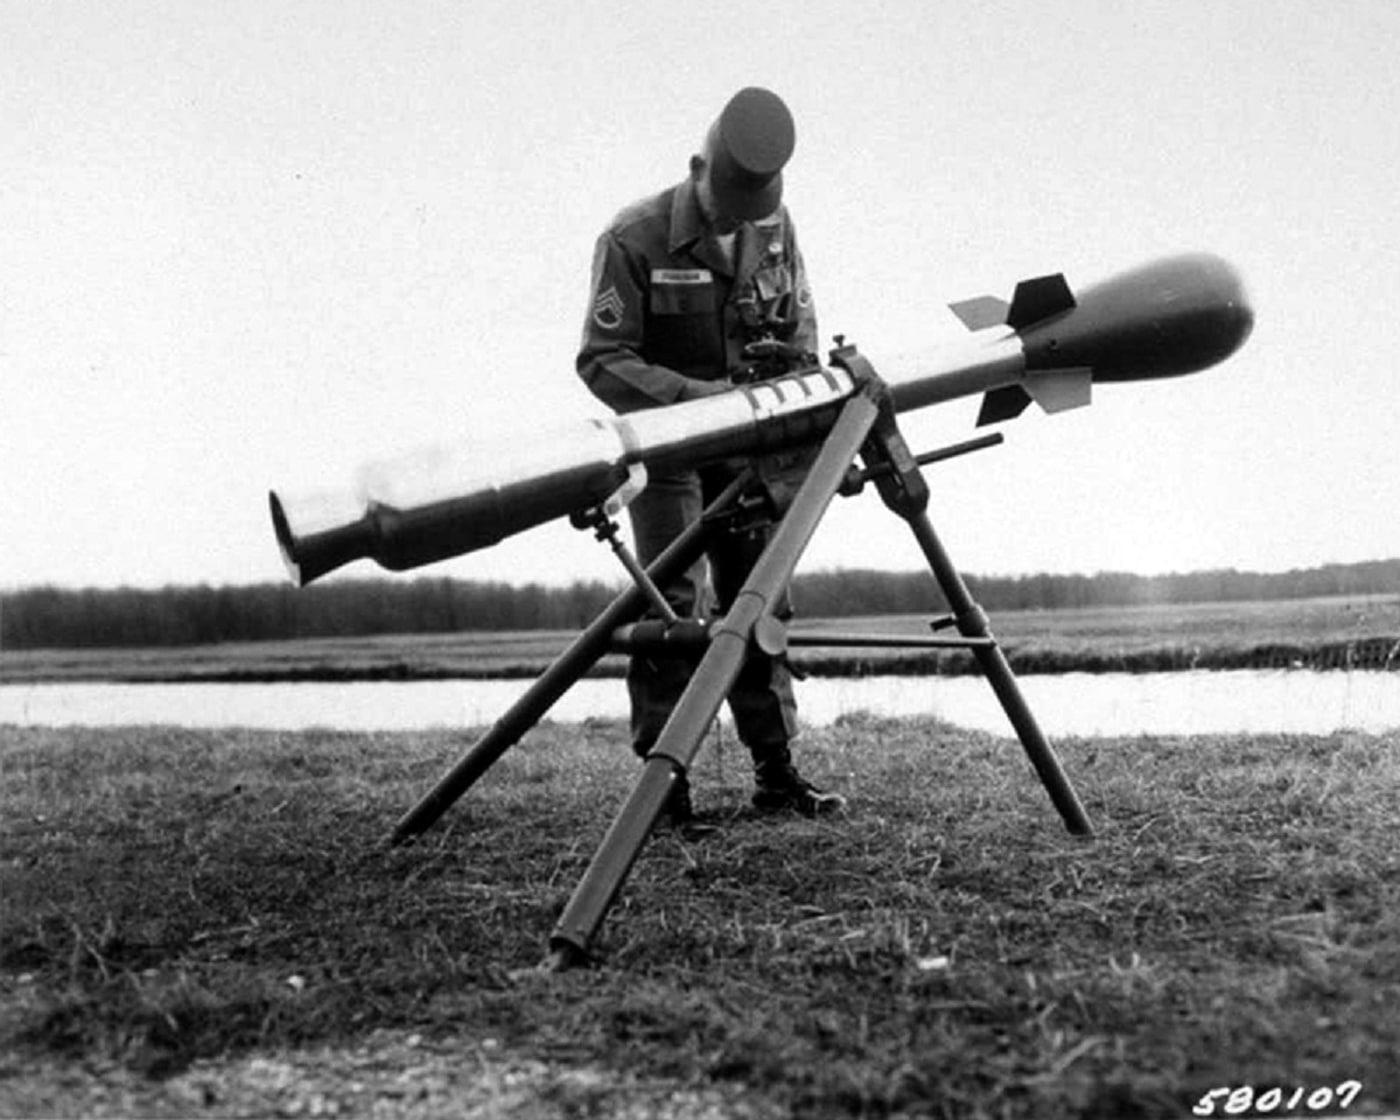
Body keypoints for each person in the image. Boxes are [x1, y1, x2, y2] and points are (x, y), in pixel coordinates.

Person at [576, 87, 846, 822]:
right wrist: (698, 397)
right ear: (698, 169)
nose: (738, 225)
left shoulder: (776, 226)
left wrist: (795, 412)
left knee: (761, 596)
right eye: (726, 208)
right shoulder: (633, 237)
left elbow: (801, 336)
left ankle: (775, 768)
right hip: (667, 447)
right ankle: (667, 788)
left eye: (751, 214)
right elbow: (602, 359)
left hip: (749, 446)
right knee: (674, 606)